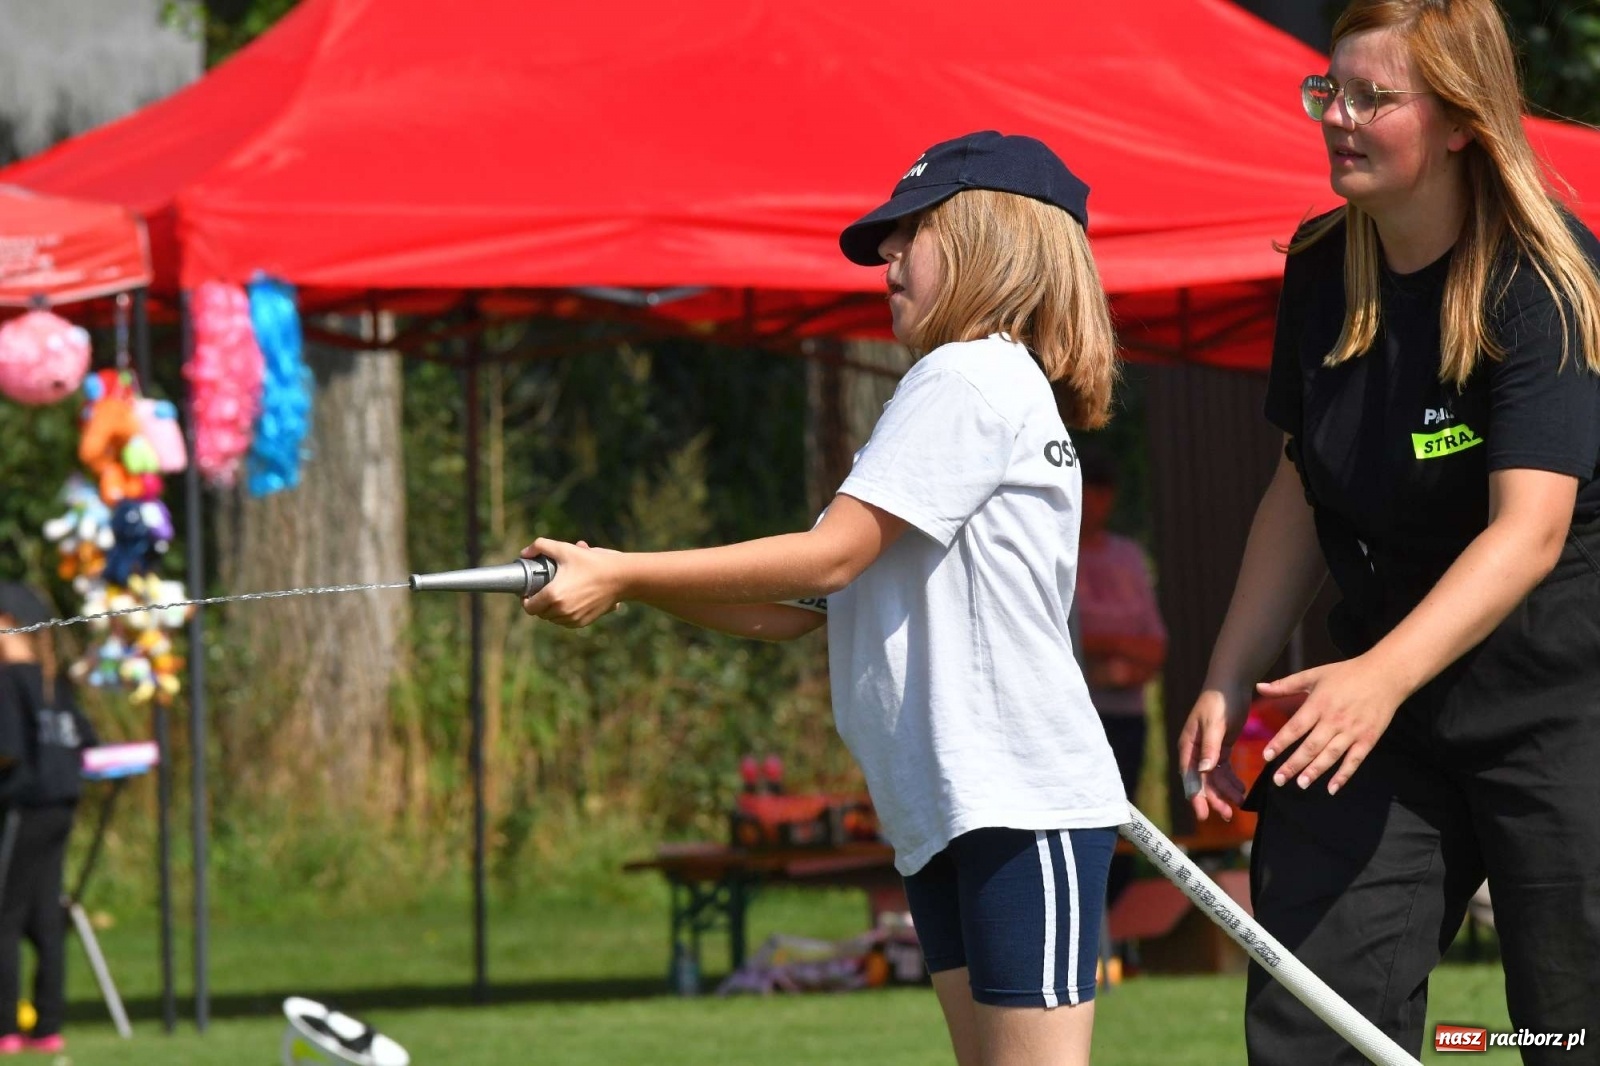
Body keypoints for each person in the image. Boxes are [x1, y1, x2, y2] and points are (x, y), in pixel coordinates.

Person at [524, 131, 1128, 1066]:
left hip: (1018, 805)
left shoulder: (966, 376)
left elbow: (825, 560)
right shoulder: (962, 387)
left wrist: (628, 572)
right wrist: (622, 579)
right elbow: (791, 607)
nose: (886, 258)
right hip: (954, 809)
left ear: (989, 237)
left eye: (909, 233)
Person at [1175, 1, 1600, 1062]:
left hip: (1562, 705)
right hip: (1385, 705)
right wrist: (1228, 674)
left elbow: (1529, 533)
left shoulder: (1543, 281)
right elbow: (1297, 486)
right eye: (1329, 90)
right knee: (1313, 1018)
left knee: (1562, 1030)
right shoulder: (1323, 268)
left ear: (1459, 119)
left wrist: (1376, 674)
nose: (1338, 118)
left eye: (1373, 97)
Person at [0, 583, 97, 1056]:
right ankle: (48, 1027)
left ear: (7, 624)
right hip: (62, 807)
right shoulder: (53, 681)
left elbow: (9, 752)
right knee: (44, 917)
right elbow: (86, 743)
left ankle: (6, 1030)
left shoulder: (7, 680)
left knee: (4, 918)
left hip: (25, 808)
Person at [1072, 449, 1166, 910]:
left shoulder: (1127, 556)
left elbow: (1155, 646)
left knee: (1123, 821)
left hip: (1127, 716)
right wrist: (1118, 644)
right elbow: (1063, 635)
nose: (1096, 504)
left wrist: (1113, 650)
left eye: (1104, 494)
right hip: (1076, 716)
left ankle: (1117, 927)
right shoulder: (1055, 553)